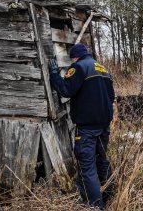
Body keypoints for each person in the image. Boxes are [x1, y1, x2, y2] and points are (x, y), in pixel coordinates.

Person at [48, 43, 115, 209]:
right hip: (104, 126)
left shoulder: (78, 67)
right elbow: (111, 96)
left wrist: (54, 73)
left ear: (74, 57)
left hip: (87, 128)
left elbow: (65, 89)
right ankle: (109, 196)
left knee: (87, 166)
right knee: (101, 160)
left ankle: (95, 206)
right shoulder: (103, 69)